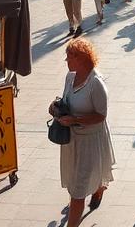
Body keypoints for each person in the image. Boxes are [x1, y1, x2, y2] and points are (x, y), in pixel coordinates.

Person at [50, 38, 115, 226]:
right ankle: (99, 187)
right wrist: (55, 107)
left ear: (81, 59)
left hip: (90, 141)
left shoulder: (96, 83)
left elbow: (101, 115)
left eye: (69, 57)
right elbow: (66, 100)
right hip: (71, 140)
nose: (66, 61)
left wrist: (76, 120)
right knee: (77, 178)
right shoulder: (70, 77)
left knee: (77, 191)